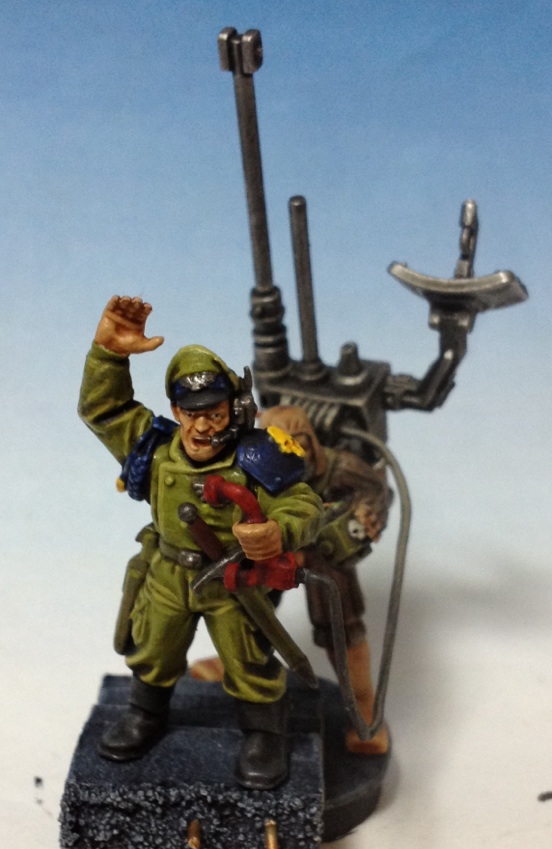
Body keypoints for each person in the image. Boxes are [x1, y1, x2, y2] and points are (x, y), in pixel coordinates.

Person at [78, 295, 323, 790]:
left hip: (233, 581)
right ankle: (145, 714)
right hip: (168, 572)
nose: (204, 425)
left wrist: (278, 532)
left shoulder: (256, 457)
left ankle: (264, 734)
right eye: (192, 413)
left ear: (234, 409)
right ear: (175, 410)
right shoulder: (153, 447)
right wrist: (109, 355)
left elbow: (304, 504)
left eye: (214, 412)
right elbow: (103, 409)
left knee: (247, 658)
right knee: (153, 648)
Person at [258, 405, 390, 755]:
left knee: (343, 630)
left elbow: (378, 491)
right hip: (277, 544)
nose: (289, 455)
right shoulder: (260, 466)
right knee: (248, 610)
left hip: (325, 552)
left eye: (296, 444)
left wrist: (364, 516)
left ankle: (364, 707)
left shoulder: (339, 467)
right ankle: (236, 667)